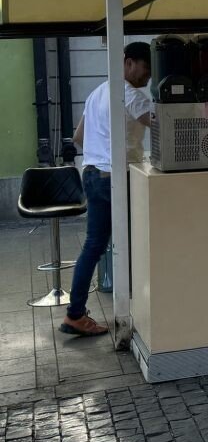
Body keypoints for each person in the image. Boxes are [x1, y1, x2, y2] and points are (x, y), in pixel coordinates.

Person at [61, 42, 152, 337]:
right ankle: (139, 310)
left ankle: (75, 314)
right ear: (128, 63)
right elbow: (164, 127)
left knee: (94, 245)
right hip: (115, 177)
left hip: (91, 173)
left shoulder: (97, 92)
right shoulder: (131, 95)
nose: (148, 76)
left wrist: (104, 146)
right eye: (146, 68)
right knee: (138, 240)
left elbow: (78, 137)